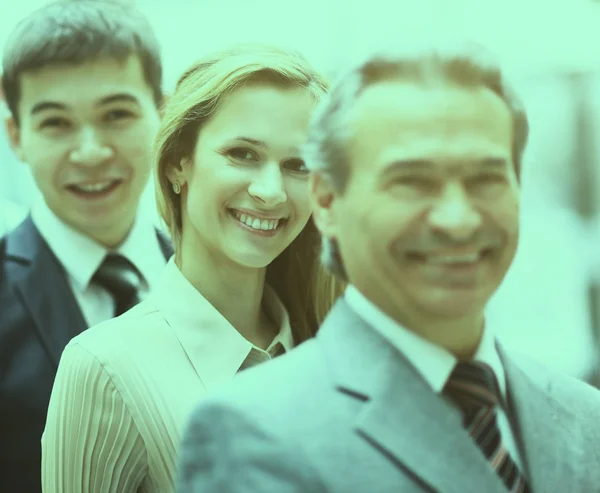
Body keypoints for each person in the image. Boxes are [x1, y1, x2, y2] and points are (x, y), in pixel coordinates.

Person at [176, 41, 600, 493]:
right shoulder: (256, 432)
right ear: (327, 201)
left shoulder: (584, 415)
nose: (457, 219)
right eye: (412, 181)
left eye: (486, 178)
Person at [41, 43, 343, 493]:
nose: (271, 191)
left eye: (298, 165)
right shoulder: (105, 368)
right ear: (178, 164)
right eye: (242, 154)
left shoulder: (332, 350)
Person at [0, 1, 170, 491]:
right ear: (17, 135)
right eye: (56, 123)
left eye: (116, 114)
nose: (91, 151)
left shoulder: (217, 283)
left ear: (160, 113)